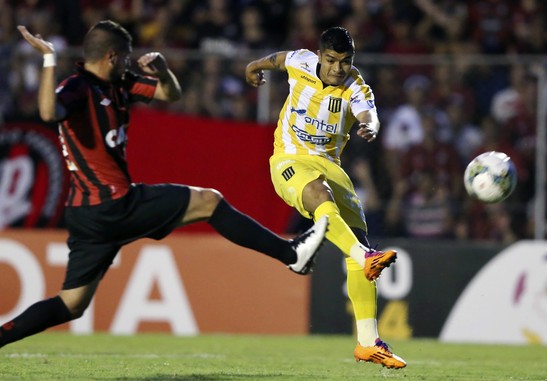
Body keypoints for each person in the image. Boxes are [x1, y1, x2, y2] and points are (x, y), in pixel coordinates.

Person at [0, 20, 329, 349]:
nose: (129, 63)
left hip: (87, 214)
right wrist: (48, 59)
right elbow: (47, 112)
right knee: (208, 201)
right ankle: (290, 253)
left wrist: (162, 71)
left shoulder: (120, 83)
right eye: (126, 58)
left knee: (71, 303)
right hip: (113, 204)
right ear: (111, 56)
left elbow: (170, 93)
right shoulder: (78, 87)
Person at [245, 27, 407, 369]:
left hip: (330, 166)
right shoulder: (302, 62)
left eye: (345, 62)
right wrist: (255, 65)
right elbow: (278, 60)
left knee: (357, 241)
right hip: (289, 161)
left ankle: (367, 343)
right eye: (331, 61)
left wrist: (372, 126)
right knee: (322, 196)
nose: (337, 68)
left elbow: (368, 113)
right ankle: (365, 256)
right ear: (319, 56)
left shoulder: (356, 86)